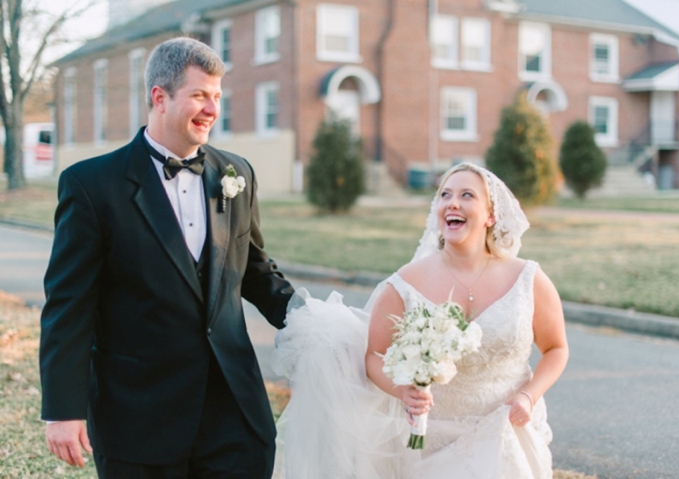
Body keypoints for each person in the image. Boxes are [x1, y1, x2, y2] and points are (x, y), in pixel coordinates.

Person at [40, 37, 294, 478]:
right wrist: (63, 409)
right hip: (138, 416)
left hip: (235, 413)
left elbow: (254, 271)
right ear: (160, 97)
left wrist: (323, 324)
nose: (212, 109)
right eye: (199, 95)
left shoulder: (236, 174)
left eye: (216, 96)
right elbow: (69, 304)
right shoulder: (92, 185)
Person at [273, 162, 568, 478]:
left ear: (491, 216)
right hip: (431, 441)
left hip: (509, 430)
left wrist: (529, 394)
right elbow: (374, 355)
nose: (452, 203)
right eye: (445, 195)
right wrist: (402, 390)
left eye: (467, 195)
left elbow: (555, 349)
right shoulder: (404, 285)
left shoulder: (527, 279)